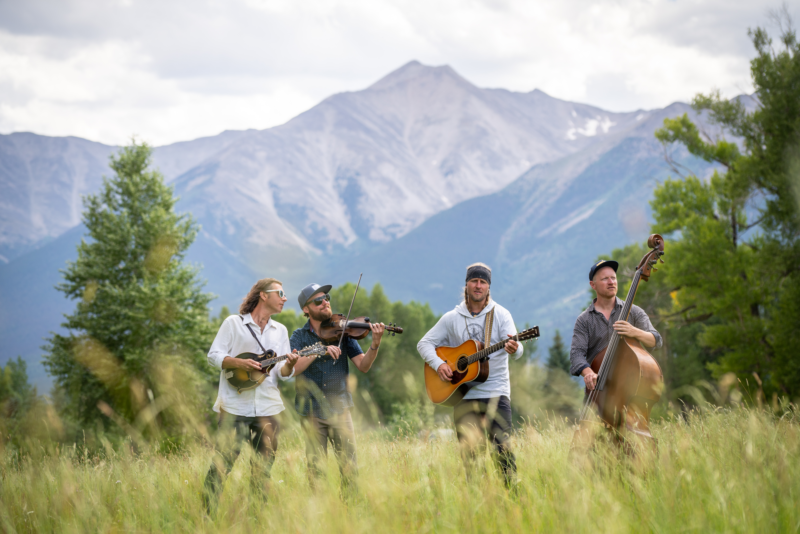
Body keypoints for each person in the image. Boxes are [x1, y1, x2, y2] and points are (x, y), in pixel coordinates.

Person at [417, 263, 522, 487]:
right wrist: (438, 365)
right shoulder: (451, 318)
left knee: (503, 453)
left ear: (488, 287)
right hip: (464, 395)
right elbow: (424, 343)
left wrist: (516, 349)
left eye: (483, 282)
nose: (478, 285)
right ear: (466, 284)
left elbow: (518, 349)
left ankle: (514, 503)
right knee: (471, 460)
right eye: (474, 281)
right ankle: (476, 508)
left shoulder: (501, 314)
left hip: (496, 392)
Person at [202, 277, 299, 513]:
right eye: (280, 293)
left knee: (262, 471)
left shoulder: (281, 330)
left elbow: (285, 374)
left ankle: (256, 520)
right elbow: (213, 355)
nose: (285, 298)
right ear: (263, 295)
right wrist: (238, 363)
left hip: (268, 410)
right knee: (221, 466)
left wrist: (290, 364)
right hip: (234, 407)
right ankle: (205, 518)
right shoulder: (233, 323)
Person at [289, 283, 385, 495]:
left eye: (327, 298)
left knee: (350, 469)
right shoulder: (299, 336)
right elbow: (293, 370)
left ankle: (351, 515)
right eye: (318, 300)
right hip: (311, 411)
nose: (325, 302)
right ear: (306, 309)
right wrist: (318, 351)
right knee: (316, 471)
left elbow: (363, 365)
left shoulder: (344, 332)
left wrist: (375, 344)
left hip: (340, 409)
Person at [570, 260, 662, 390]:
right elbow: (576, 354)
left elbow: (656, 341)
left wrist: (634, 332)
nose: (611, 282)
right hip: (597, 392)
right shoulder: (584, 320)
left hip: (631, 388)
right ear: (593, 285)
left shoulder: (634, 312)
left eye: (613, 278)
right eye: (605, 279)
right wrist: (589, 373)